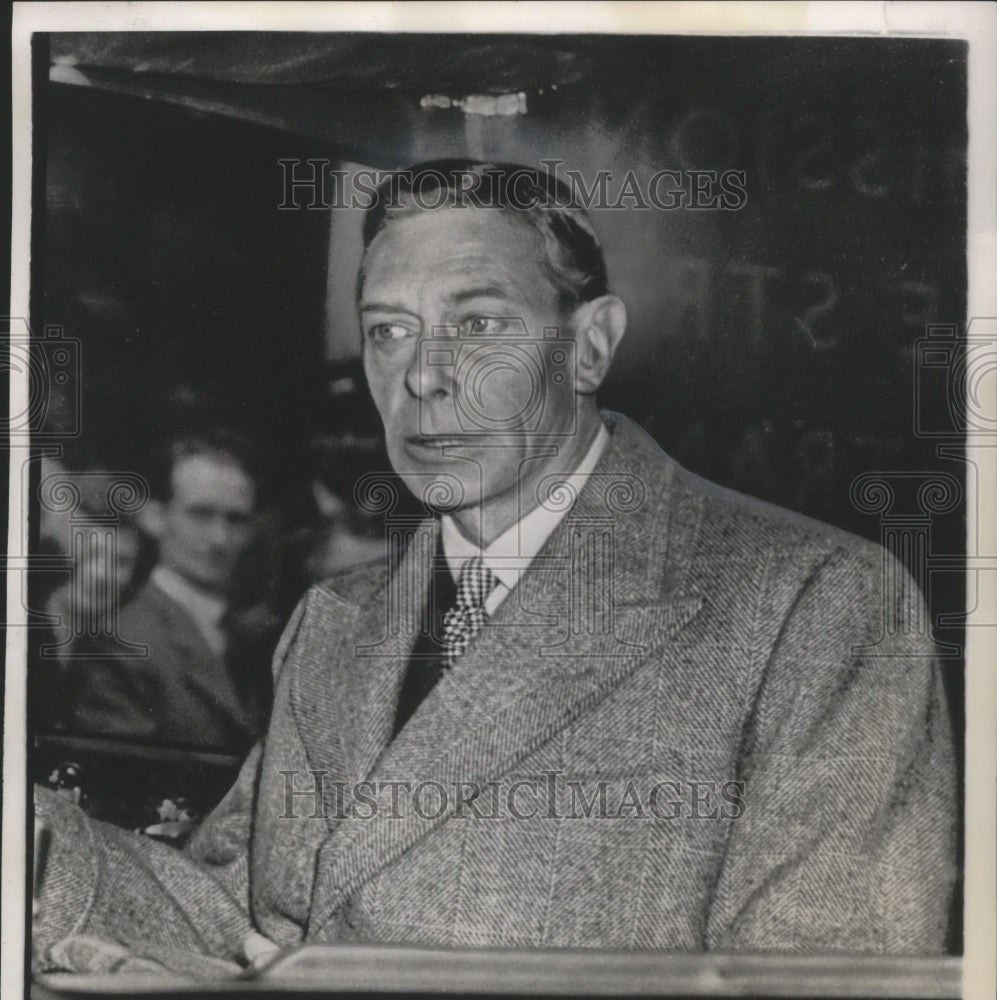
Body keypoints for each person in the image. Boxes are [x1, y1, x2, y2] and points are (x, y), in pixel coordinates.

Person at [34, 162, 956, 975]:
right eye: (390, 330)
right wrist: (29, 846)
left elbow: (822, 982)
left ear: (590, 344)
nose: (427, 375)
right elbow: (234, 915)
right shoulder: (337, 619)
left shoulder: (818, 606)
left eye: (477, 322)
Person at [62, 430, 279, 753]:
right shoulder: (119, 643)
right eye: (200, 514)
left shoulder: (258, 633)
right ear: (155, 517)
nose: (220, 538)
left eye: (236, 520)